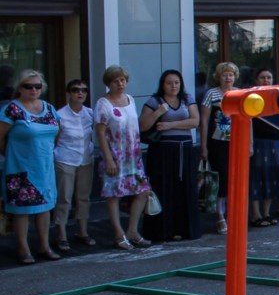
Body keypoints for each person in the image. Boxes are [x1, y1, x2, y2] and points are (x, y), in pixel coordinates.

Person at [1, 69, 61, 264]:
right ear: (19, 88)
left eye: (37, 86)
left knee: (44, 207)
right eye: (28, 86)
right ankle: (23, 248)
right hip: (20, 166)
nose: (33, 90)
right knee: (23, 210)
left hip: (44, 166)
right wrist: (10, 154)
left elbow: (57, 133)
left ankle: (44, 246)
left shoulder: (50, 108)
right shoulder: (12, 109)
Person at [139, 69, 201, 241]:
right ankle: (163, 231)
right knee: (164, 188)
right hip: (163, 152)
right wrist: (158, 113)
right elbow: (143, 125)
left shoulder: (187, 99)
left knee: (185, 188)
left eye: (176, 82)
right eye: (169, 83)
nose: (173, 86)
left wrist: (168, 125)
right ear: (162, 85)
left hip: (185, 150)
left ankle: (184, 229)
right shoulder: (154, 101)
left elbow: (195, 121)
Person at [95, 65, 151, 250]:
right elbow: (100, 133)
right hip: (115, 154)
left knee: (142, 191)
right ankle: (118, 234)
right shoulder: (103, 103)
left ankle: (132, 231)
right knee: (114, 195)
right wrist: (108, 158)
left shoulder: (130, 99)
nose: (120, 84)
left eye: (123, 80)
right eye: (116, 81)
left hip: (133, 155)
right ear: (109, 83)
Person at [53, 79, 95, 250]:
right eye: (75, 90)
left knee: (83, 197)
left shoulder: (90, 113)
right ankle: (61, 233)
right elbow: (54, 139)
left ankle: (82, 231)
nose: (80, 93)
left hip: (86, 158)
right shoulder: (60, 115)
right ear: (69, 93)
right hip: (65, 159)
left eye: (84, 90)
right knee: (64, 198)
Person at [200, 61, 238, 235]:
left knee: (234, 179)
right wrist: (203, 146)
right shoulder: (211, 94)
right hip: (217, 142)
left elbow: (248, 120)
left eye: (231, 74)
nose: (228, 77)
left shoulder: (239, 93)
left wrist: (250, 144)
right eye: (224, 74)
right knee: (220, 179)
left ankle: (234, 214)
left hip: (237, 142)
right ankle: (220, 216)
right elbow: (204, 121)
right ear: (218, 77)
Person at [247, 68, 279, 226]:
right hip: (258, 141)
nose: (266, 80)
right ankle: (255, 215)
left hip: (276, 141)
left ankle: (266, 213)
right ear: (257, 80)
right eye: (262, 77)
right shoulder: (252, 96)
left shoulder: (277, 96)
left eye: (269, 77)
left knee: (272, 177)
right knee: (257, 178)